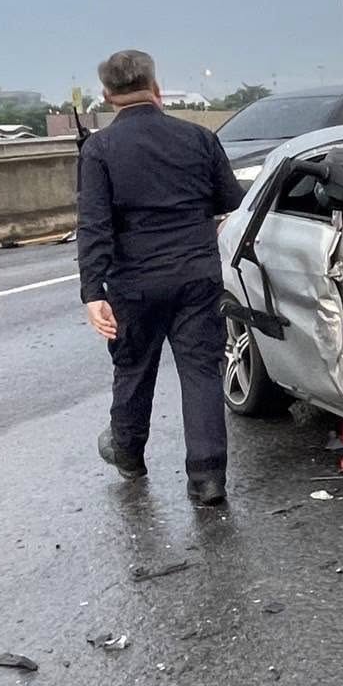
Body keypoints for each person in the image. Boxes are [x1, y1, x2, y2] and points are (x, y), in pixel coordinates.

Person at [77, 49, 245, 505]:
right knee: (201, 371)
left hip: (134, 280)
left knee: (133, 366)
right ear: (156, 88)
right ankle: (207, 478)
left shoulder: (99, 150)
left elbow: (94, 225)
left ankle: (128, 453)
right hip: (196, 275)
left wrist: (93, 291)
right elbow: (229, 199)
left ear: (106, 95)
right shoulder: (199, 138)